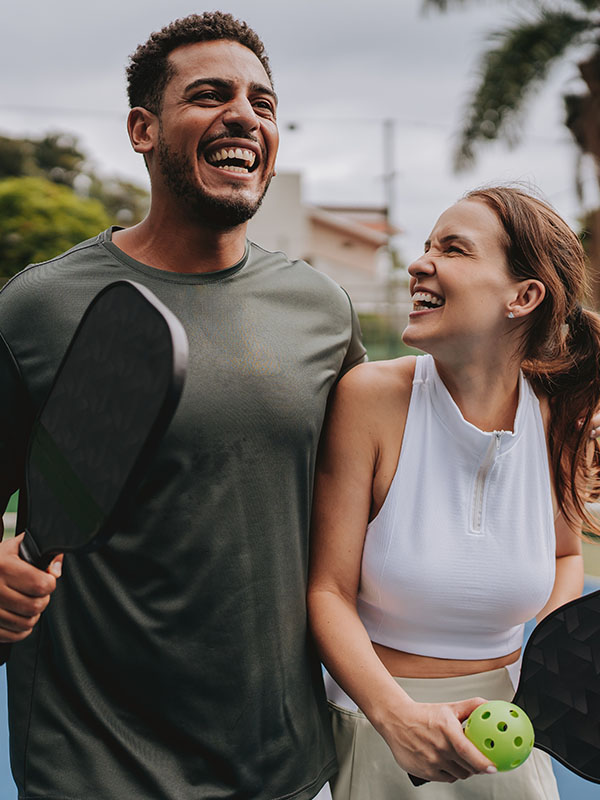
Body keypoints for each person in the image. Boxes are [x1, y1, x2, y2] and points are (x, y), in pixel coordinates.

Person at [0, 13, 367, 800]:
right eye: (209, 95)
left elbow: (379, 493)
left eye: (264, 105)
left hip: (284, 772)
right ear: (143, 128)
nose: (245, 116)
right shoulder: (38, 307)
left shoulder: (323, 309)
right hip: (93, 770)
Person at [307, 186, 600, 799]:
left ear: (523, 297)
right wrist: (394, 717)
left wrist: (545, 666)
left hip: (514, 738)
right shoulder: (368, 398)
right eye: (427, 246)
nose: (420, 263)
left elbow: (565, 557)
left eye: (454, 249)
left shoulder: (556, 418)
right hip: (375, 732)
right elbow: (327, 590)